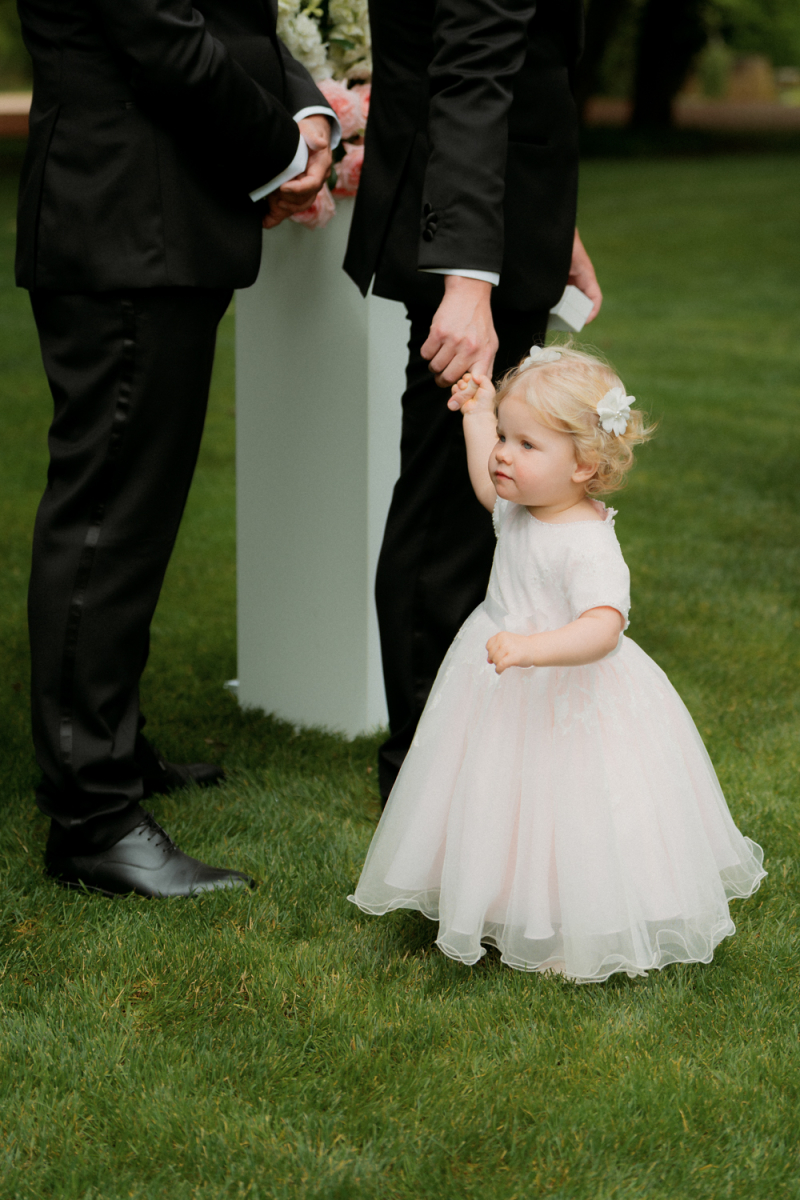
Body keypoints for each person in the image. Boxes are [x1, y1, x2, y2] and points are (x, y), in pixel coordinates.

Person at [16, 0, 340, 897]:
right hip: (124, 219)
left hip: (152, 222)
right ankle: (92, 816)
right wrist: (278, 153)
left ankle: (112, 747)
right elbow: (158, 34)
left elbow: (229, 19)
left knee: (135, 513)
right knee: (105, 523)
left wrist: (307, 109)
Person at [349, 345, 765, 982]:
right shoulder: (520, 505)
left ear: (585, 465)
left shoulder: (586, 541)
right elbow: (486, 486)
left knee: (570, 805)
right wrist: (477, 415)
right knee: (497, 792)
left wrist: (533, 649)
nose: (504, 455)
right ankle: (501, 897)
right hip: (501, 680)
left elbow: (603, 627)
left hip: (564, 688)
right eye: (505, 437)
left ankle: (581, 924)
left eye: (526, 445)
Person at [344, 0, 602, 803]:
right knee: (445, 511)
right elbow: (469, 71)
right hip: (464, 245)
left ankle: (476, 751)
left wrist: (551, 220)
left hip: (504, 211)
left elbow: (527, 64)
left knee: (486, 509)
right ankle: (424, 774)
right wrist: (466, 275)